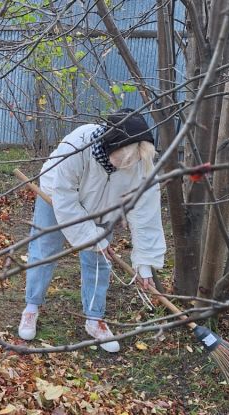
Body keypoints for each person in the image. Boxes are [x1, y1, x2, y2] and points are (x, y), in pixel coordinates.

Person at [18, 109, 166, 352]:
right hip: (55, 196)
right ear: (110, 147)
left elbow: (145, 212)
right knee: (44, 250)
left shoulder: (142, 162)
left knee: (98, 261)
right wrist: (89, 235)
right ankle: (31, 308)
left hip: (103, 208)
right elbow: (65, 198)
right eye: (123, 162)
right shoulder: (77, 146)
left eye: (132, 164)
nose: (127, 168)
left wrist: (145, 262)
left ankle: (94, 319)